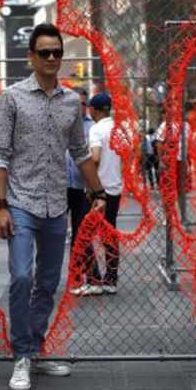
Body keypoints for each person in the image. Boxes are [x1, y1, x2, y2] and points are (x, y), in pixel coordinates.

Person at [0, 23, 107, 390]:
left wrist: (99, 192)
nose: (52, 58)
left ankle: (34, 351)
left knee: (48, 283)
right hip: (20, 202)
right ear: (32, 57)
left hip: (57, 204)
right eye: (45, 52)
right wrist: (0, 206)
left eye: (57, 52)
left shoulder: (72, 101)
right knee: (22, 277)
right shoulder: (11, 98)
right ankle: (21, 355)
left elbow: (81, 152)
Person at [71, 92, 123, 296]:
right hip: (115, 188)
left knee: (82, 232)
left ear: (94, 110)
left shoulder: (96, 129)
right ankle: (111, 280)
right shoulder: (118, 129)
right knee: (109, 234)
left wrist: (89, 181)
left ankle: (93, 279)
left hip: (98, 190)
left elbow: (95, 157)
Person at [65, 87, 94, 254]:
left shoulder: (92, 127)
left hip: (83, 186)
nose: (80, 107)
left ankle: (77, 267)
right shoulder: (60, 123)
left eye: (83, 103)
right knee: (53, 233)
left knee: (81, 231)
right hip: (60, 186)